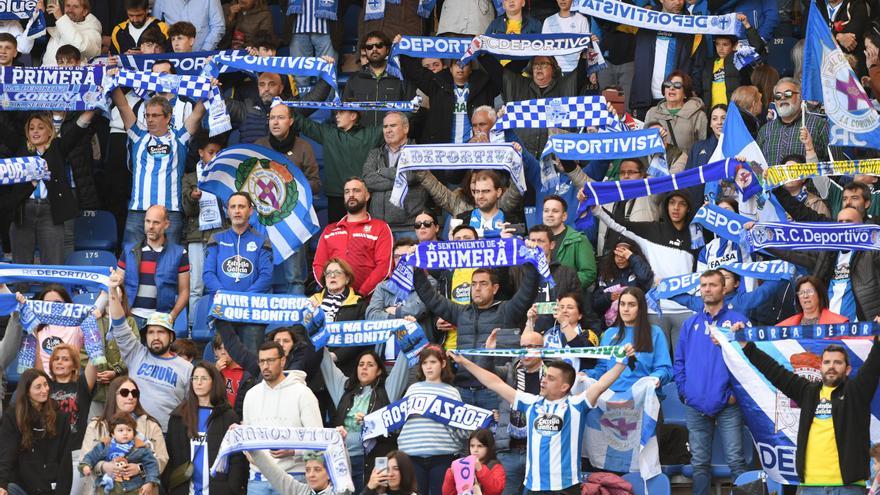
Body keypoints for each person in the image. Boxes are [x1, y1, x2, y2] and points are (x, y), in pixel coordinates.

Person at [447, 347, 634, 494]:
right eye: (545, 376)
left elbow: (601, 384)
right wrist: (465, 362)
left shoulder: (576, 404)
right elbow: (494, 383)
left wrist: (622, 360)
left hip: (566, 487)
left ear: (564, 386)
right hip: (534, 487)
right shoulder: (531, 403)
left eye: (550, 378)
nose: (543, 381)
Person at [732, 335, 880, 491]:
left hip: (847, 487)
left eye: (838, 362)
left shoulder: (856, 393)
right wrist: (747, 346)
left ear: (848, 369)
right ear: (821, 367)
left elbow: (873, 366)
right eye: (827, 362)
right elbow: (775, 372)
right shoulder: (808, 392)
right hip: (809, 486)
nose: (831, 366)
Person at [414, 260, 539, 411]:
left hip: (494, 391)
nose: (477, 288)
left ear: (495, 288)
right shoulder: (461, 312)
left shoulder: (507, 310)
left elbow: (528, 290)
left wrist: (529, 262)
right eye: (473, 284)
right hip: (462, 389)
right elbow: (430, 297)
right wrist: (417, 269)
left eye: (483, 284)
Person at [673, 270, 749, 495]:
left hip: (728, 404)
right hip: (695, 404)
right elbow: (679, 361)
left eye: (713, 285)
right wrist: (685, 392)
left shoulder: (739, 321)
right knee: (699, 464)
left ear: (724, 288)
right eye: (703, 285)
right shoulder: (690, 323)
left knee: (736, 461)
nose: (707, 289)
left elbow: (749, 362)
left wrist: (735, 394)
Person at [592, 192, 697, 349]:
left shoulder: (696, 235)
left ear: (688, 209)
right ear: (666, 206)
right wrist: (595, 208)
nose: (676, 208)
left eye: (682, 204)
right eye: (672, 203)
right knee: (657, 360)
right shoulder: (651, 231)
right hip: (655, 310)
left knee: (683, 362)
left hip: (685, 310)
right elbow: (619, 224)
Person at [111, 86, 206, 246]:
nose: (150, 119)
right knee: (134, 262)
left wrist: (208, 85)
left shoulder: (180, 137)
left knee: (169, 263)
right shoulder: (138, 134)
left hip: (171, 212)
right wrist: (111, 80)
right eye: (147, 116)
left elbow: (197, 114)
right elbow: (122, 106)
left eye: (155, 115)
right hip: (138, 212)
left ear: (168, 117)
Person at [2, 109, 95, 266]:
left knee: (53, 265)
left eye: (40, 127)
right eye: (31, 128)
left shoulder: (58, 147)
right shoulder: (20, 147)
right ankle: (20, 291)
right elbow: (3, 126)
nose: (35, 131)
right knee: (21, 265)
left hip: (51, 212)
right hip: (23, 211)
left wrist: (95, 102)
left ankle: (53, 291)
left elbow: (80, 126)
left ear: (49, 131)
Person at [108, 268, 193, 431]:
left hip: (168, 434)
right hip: (131, 431)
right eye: (151, 332)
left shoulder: (187, 368)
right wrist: (112, 290)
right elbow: (119, 323)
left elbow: (193, 406)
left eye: (161, 332)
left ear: (171, 337)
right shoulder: (136, 353)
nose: (155, 336)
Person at [321, 346, 410, 493]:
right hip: (344, 461)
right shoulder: (345, 388)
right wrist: (317, 334)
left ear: (379, 370)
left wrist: (408, 332)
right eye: (361, 364)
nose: (364, 368)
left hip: (375, 462)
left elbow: (403, 363)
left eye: (370, 365)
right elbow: (327, 364)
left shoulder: (387, 390)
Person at [243, 341, 322, 495]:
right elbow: (247, 436)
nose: (265, 366)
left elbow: (318, 440)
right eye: (261, 361)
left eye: (270, 360)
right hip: (258, 479)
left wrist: (293, 451)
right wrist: (251, 455)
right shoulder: (251, 395)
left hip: (293, 479)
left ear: (283, 361)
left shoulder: (303, 393)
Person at [203, 192, 274, 354]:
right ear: (227, 211)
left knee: (252, 362)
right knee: (223, 362)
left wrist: (243, 300)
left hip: (252, 314)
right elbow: (208, 274)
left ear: (250, 211)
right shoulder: (216, 238)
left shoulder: (262, 240)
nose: (237, 211)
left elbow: (266, 276)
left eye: (241, 206)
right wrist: (226, 297)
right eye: (233, 207)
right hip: (222, 311)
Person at [397, 39, 499, 145]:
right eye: (456, 64)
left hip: (474, 147)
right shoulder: (436, 84)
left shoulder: (484, 86)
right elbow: (414, 71)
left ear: (471, 69)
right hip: (442, 148)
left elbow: (498, 76)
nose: (461, 67)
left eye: (465, 63)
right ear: (450, 68)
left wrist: (482, 52)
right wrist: (402, 45)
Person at [165, 362, 246, 494]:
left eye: (204, 378)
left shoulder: (228, 416)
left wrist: (232, 488)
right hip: (185, 489)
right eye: (195, 378)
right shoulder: (179, 416)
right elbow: (171, 456)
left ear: (214, 382)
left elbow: (237, 458)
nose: (198, 383)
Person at [79, 377, 168, 495]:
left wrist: (139, 468)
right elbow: (84, 460)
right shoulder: (96, 426)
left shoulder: (151, 425)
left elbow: (162, 459)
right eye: (124, 393)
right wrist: (105, 467)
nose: (130, 397)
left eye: (134, 393)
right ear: (113, 396)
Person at [395, 346, 466, 495]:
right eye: (424, 362)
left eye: (433, 362)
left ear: (443, 364)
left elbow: (461, 428)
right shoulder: (413, 389)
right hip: (412, 456)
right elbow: (398, 419)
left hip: (443, 456)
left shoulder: (452, 392)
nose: (428, 366)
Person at [295, 111, 384, 222]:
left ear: (353, 116)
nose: (337, 115)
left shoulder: (371, 134)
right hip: (336, 198)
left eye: (341, 112)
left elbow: (397, 123)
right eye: (336, 112)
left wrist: (413, 108)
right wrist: (282, 103)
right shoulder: (329, 133)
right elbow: (303, 123)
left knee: (363, 236)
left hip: (363, 196)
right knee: (337, 236)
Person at [313, 178, 394, 296]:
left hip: (366, 300)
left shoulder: (380, 228)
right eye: (347, 191)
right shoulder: (329, 230)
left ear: (367, 196)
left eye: (356, 191)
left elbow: (384, 267)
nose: (351, 195)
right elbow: (318, 264)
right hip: (333, 297)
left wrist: (361, 294)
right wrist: (330, 290)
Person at [117, 204, 190, 330]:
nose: (150, 227)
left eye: (156, 222)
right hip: (131, 317)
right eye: (148, 221)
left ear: (166, 225)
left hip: (161, 319)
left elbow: (184, 291)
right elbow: (117, 285)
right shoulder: (129, 251)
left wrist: (171, 317)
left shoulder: (180, 253)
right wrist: (122, 313)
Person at [487, 330, 542, 495]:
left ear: (542, 349)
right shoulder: (511, 370)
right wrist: (489, 353)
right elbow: (488, 374)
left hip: (539, 451)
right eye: (522, 347)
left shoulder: (552, 374)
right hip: (510, 450)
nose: (525, 351)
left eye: (531, 347)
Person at [0, 369, 72, 495]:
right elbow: (7, 453)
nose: (44, 390)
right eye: (38, 387)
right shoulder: (12, 416)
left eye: (45, 384)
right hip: (21, 485)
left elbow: (65, 461)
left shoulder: (61, 418)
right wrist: (2, 484)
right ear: (27, 392)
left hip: (49, 486)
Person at [629, 0, 705, 119]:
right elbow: (610, 22)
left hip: (677, 99)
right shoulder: (643, 19)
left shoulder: (693, 25)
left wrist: (694, 89)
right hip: (644, 98)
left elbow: (698, 64)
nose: (678, 2)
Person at [587, 287, 673, 392]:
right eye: (622, 304)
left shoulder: (655, 332)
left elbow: (664, 368)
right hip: (610, 398)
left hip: (643, 397)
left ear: (641, 308)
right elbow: (602, 368)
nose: (625, 309)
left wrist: (655, 377)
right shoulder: (609, 333)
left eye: (631, 305)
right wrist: (586, 374)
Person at [182, 131, 227, 325]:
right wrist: (193, 198)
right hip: (196, 236)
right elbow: (186, 210)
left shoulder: (226, 177)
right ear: (201, 152)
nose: (214, 156)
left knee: (217, 284)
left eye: (219, 153)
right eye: (211, 152)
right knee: (195, 286)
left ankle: (217, 326)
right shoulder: (190, 178)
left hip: (220, 236)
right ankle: (194, 326)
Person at [362, 112, 427, 238]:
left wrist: (381, 171)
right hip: (379, 227)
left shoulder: (418, 152)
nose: (388, 130)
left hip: (409, 227)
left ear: (406, 128)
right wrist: (398, 179)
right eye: (385, 127)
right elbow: (368, 180)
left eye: (393, 126)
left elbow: (410, 177)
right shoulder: (374, 153)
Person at [367, 238, 435, 348]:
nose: (400, 260)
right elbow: (371, 316)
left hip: (418, 351)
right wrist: (400, 317)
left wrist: (389, 311)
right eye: (397, 257)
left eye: (405, 255)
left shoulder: (430, 283)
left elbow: (416, 310)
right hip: (385, 352)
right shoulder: (383, 287)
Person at [343, 31, 415, 127]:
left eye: (379, 45)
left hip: (392, 138)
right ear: (365, 51)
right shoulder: (354, 79)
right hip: (362, 139)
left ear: (388, 50)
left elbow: (411, 111)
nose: (374, 49)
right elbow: (344, 111)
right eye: (369, 47)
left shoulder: (401, 78)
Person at [310, 258, 369, 377]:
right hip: (314, 366)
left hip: (345, 368)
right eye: (328, 273)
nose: (332, 276)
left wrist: (336, 356)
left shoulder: (359, 304)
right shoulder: (311, 302)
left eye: (337, 273)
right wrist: (309, 315)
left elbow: (360, 338)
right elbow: (301, 333)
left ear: (347, 278)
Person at [78, 413, 161, 495]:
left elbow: (152, 465)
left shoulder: (140, 448)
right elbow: (91, 456)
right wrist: (86, 466)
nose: (125, 433)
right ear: (113, 433)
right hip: (109, 488)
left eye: (129, 430)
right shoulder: (105, 445)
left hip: (134, 488)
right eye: (120, 430)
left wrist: (150, 482)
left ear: (134, 432)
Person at [644, 71, 708, 171]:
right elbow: (644, 147)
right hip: (656, 173)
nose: (671, 88)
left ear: (685, 92)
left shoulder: (698, 115)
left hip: (685, 173)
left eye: (677, 85)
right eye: (668, 85)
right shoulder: (651, 113)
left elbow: (703, 149)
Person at [758, 78, 829, 166]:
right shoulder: (765, 130)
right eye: (778, 95)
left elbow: (836, 164)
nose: (782, 98)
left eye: (788, 94)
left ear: (800, 97)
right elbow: (758, 167)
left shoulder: (819, 125)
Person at [593, 239, 654, 328]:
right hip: (611, 326)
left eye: (624, 255)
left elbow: (645, 278)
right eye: (617, 255)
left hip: (637, 323)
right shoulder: (606, 274)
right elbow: (595, 304)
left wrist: (632, 257)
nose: (619, 259)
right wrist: (608, 297)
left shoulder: (638, 271)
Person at [541, 195, 596, 288]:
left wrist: (562, 284)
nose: (550, 214)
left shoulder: (579, 239)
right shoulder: (535, 240)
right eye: (546, 211)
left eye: (555, 211)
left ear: (564, 216)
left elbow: (589, 274)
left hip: (568, 298)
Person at [247, 449, 347, 495]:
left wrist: (341, 443)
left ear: (330, 474)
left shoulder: (340, 492)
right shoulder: (300, 491)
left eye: (317, 470)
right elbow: (273, 472)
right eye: (307, 470)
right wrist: (252, 450)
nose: (311, 475)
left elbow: (344, 468)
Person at [684, 104, 726, 206]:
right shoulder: (697, 148)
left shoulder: (739, 148)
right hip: (699, 207)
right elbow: (688, 179)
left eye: (724, 118)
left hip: (728, 208)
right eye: (715, 119)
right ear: (710, 124)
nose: (719, 122)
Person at [441, 429, 505, 495]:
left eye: (480, 446)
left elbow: (496, 491)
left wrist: (481, 470)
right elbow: (447, 493)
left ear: (489, 447)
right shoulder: (462, 465)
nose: (475, 450)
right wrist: (451, 474)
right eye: (472, 446)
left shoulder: (495, 466)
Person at [42, 0, 102, 65]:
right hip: (46, 72)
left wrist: (60, 18)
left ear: (85, 12)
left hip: (76, 74)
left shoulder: (92, 29)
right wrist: (39, 13)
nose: (70, 10)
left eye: (75, 6)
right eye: (68, 6)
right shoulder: (61, 23)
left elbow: (80, 46)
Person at [152, 0, 225, 50]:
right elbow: (155, 28)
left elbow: (218, 26)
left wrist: (205, 50)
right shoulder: (161, 1)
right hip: (172, 56)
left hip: (204, 56)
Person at [777, 276, 849, 325]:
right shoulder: (784, 327)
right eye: (801, 293)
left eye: (810, 291)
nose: (805, 296)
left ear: (819, 294)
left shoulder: (840, 324)